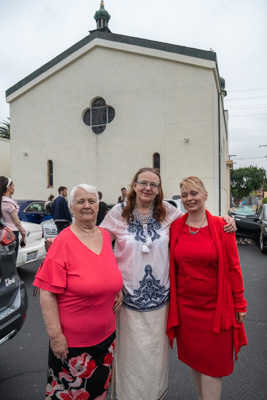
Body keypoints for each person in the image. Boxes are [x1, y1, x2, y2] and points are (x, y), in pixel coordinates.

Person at [100, 167, 236, 400]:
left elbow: (198, 219)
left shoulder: (169, 213)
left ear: (159, 190)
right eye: (143, 183)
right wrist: (110, 283)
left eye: (154, 185)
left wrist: (223, 219)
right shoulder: (117, 213)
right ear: (134, 185)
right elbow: (99, 244)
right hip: (127, 304)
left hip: (161, 304)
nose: (148, 188)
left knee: (155, 357)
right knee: (130, 358)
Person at [33, 184, 123, 400]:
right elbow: (46, 293)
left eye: (91, 201)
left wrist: (115, 289)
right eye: (80, 201)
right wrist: (56, 337)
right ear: (71, 207)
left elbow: (105, 271)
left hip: (106, 339)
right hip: (73, 347)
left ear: (98, 206)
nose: (87, 206)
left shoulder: (104, 235)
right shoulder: (63, 242)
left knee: (99, 393)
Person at [167, 176, 247, 400]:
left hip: (216, 309)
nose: (189, 199)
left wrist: (240, 303)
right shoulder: (176, 226)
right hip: (186, 309)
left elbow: (233, 267)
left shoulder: (222, 226)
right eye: (184, 195)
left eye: (194, 193)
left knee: (213, 366)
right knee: (196, 360)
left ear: (205, 195)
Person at [0, 176, 26, 258]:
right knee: (12, 260)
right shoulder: (9, 203)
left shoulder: (2, 201)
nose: (14, 188)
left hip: (5, 232)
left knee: (6, 260)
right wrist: (23, 234)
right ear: (8, 188)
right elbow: (17, 222)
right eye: (13, 186)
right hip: (12, 233)